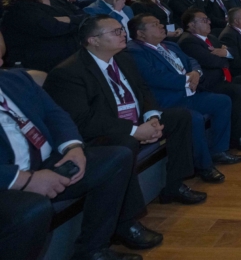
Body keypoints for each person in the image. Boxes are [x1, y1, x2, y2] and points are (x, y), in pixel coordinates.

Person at [44, 16, 205, 208]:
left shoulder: (123, 58)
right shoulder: (68, 72)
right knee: (125, 142)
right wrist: (135, 131)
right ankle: (128, 219)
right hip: (104, 131)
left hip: (134, 120)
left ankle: (175, 185)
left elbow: (142, 90)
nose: (123, 35)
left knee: (180, 117)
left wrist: (152, 117)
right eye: (116, 32)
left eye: (122, 30)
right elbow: (84, 121)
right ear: (93, 40)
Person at [0, 67, 151, 260]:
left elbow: (54, 114)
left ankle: (92, 250)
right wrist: (24, 180)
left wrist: (72, 148)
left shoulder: (16, 78)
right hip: (7, 180)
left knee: (117, 157)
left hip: (43, 163)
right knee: (32, 209)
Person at [125, 14, 241, 181]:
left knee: (222, 101)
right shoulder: (136, 51)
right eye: (155, 24)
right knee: (193, 119)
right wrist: (187, 79)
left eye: (160, 22)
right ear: (140, 33)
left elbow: (192, 60)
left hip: (190, 94)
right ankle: (204, 166)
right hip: (168, 101)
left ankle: (219, 150)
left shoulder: (170, 45)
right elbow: (154, 77)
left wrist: (195, 72)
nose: (161, 26)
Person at [179, 9, 241, 150]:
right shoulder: (188, 41)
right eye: (204, 20)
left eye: (208, 19)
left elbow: (232, 53)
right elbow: (209, 61)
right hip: (208, 84)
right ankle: (238, 137)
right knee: (236, 90)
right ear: (191, 25)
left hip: (223, 77)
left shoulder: (212, 38)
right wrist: (224, 57)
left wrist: (225, 53)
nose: (209, 22)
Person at [1, 0, 85, 71]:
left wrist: (67, 19)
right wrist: (75, 22)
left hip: (69, 55)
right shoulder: (19, 9)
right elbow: (52, 28)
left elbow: (86, 18)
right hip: (39, 62)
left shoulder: (59, 1)